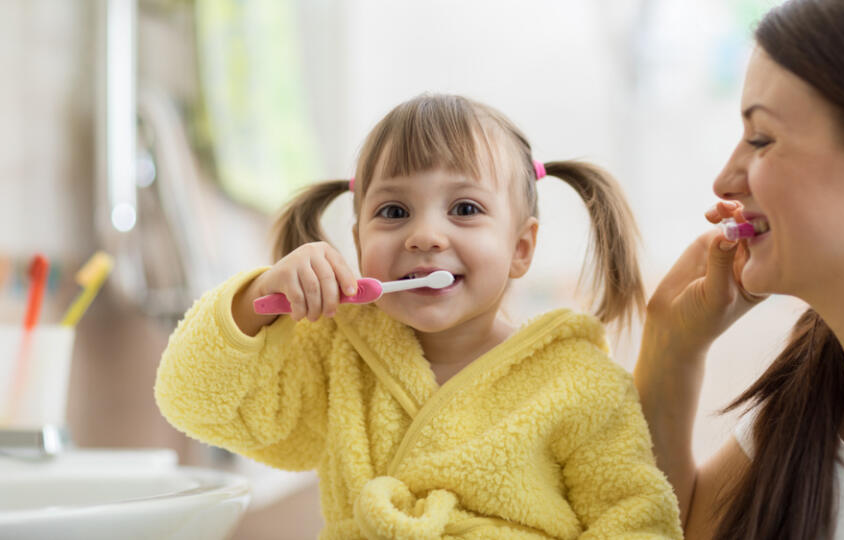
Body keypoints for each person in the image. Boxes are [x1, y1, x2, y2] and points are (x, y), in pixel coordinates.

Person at [155, 94, 682, 539]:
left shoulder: (581, 383)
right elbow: (198, 405)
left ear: (521, 248)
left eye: (465, 209)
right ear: (360, 242)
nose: (425, 235)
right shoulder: (338, 352)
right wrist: (253, 301)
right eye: (393, 212)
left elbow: (636, 520)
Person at [634, 0, 844, 538]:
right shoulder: (808, 406)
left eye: (761, 139)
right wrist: (671, 341)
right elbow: (669, 527)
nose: (725, 181)